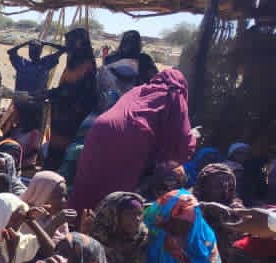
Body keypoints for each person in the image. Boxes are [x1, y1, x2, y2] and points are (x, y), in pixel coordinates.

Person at [69, 69, 197, 211]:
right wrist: (193, 138)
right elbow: (184, 145)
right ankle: (102, 222)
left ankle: (74, 218)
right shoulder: (174, 93)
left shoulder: (139, 90)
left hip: (100, 128)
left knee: (87, 182)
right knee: (113, 194)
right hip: (129, 138)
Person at [41, 27, 97, 171]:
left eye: (71, 42)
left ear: (81, 43)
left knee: (65, 151)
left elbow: (74, 91)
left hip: (73, 116)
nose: (68, 45)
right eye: (67, 42)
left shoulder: (87, 65)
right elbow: (65, 87)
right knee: (55, 147)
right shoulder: (73, 62)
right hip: (61, 114)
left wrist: (50, 93)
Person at [19, 170, 72, 241]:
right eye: (57, 196)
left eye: (65, 196)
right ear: (41, 194)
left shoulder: (55, 216)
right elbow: (38, 245)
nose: (64, 201)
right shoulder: (23, 217)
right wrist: (55, 224)